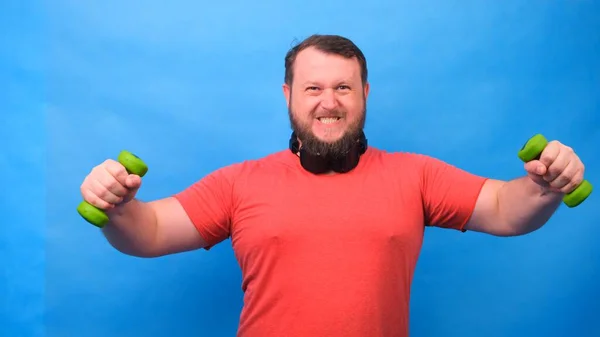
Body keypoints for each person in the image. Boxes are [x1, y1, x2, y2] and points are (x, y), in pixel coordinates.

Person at [80, 34, 587, 337]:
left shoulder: (415, 175)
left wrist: (545, 186)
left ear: (364, 93)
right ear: (288, 96)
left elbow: (503, 207)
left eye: (343, 86)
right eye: (314, 88)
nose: (329, 101)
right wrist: (118, 205)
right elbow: (147, 232)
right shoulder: (239, 183)